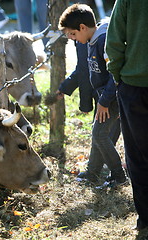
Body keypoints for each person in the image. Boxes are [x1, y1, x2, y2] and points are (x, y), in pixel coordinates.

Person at [58, 3, 127, 188]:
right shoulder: (90, 40)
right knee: (99, 134)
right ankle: (96, 172)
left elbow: (114, 74)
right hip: (105, 98)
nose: (73, 39)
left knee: (100, 135)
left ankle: (118, 176)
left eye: (73, 34)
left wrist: (104, 102)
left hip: (111, 98)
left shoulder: (103, 40)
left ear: (82, 27)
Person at [105, 0, 148, 231]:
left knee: (138, 157)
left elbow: (113, 42)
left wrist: (118, 76)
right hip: (131, 83)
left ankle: (145, 219)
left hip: (133, 85)